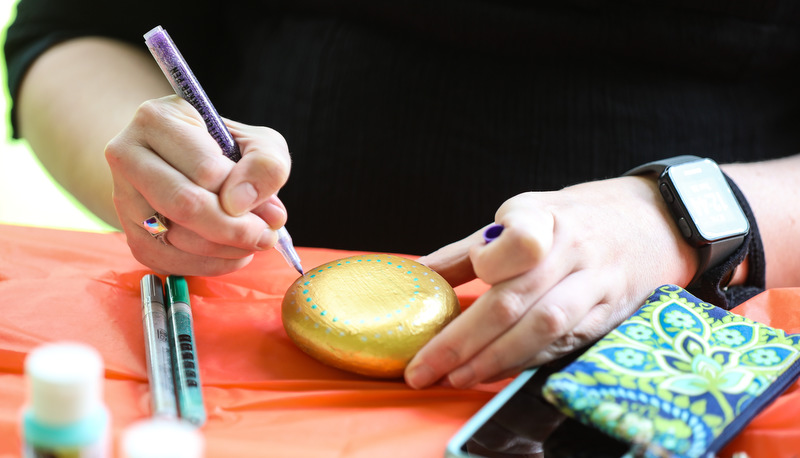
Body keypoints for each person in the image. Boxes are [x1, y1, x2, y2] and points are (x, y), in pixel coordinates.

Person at [6, 0, 800, 391]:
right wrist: (171, 180)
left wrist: (685, 220)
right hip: (242, 340)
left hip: (669, 350)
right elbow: (79, 31)